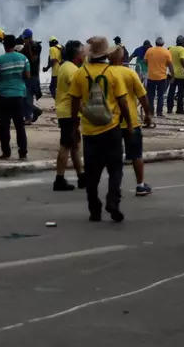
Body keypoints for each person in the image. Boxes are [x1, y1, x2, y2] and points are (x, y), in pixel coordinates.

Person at [68, 36, 130, 222]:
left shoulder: (80, 73)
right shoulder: (113, 73)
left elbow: (74, 102)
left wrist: (73, 126)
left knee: (92, 174)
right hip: (111, 128)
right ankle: (113, 200)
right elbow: (123, 101)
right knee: (115, 170)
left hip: (90, 131)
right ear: (105, 54)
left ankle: (94, 209)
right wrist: (128, 125)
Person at [109, 45, 153, 196]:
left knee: (114, 156)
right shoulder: (130, 73)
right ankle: (140, 185)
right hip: (131, 121)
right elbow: (142, 96)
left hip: (111, 122)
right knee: (136, 155)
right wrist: (148, 114)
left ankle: (114, 186)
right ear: (123, 59)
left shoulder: (104, 73)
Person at [52, 40, 85, 192]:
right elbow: (76, 95)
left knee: (74, 145)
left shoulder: (66, 66)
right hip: (69, 113)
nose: (85, 53)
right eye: (82, 51)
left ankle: (81, 177)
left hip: (67, 112)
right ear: (77, 55)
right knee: (66, 145)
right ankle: (59, 179)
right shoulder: (72, 70)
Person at [0, 34, 31, 160]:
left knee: (4, 126)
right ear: (14, 45)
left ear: (4, 45)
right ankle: (23, 152)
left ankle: (6, 152)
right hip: (19, 95)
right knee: (20, 126)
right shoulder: (23, 58)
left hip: (4, 96)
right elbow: (27, 75)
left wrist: (3, 78)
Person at [143, 39, 172, 119]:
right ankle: (159, 112)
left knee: (150, 96)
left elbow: (145, 61)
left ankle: (151, 112)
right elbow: (170, 64)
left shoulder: (149, 50)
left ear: (155, 43)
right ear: (163, 44)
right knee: (160, 95)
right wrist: (172, 74)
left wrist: (151, 64)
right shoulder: (166, 52)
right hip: (162, 77)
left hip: (151, 77)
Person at [167, 35, 184, 115]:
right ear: (182, 42)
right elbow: (183, 60)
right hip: (181, 75)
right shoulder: (183, 49)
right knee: (181, 93)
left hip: (172, 74)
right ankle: (179, 109)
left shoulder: (171, 49)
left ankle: (169, 109)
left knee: (171, 92)